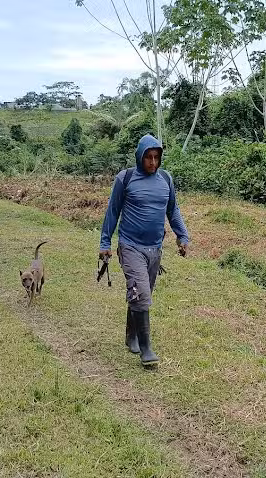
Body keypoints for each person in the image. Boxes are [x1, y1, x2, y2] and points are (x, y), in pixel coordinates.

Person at [99, 134, 189, 367]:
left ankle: (131, 336)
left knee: (140, 291)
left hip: (155, 249)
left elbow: (173, 210)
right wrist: (105, 243)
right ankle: (146, 349)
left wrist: (182, 236)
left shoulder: (166, 180)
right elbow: (113, 212)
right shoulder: (125, 178)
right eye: (148, 157)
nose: (152, 162)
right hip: (130, 246)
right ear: (140, 157)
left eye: (156, 157)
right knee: (141, 293)